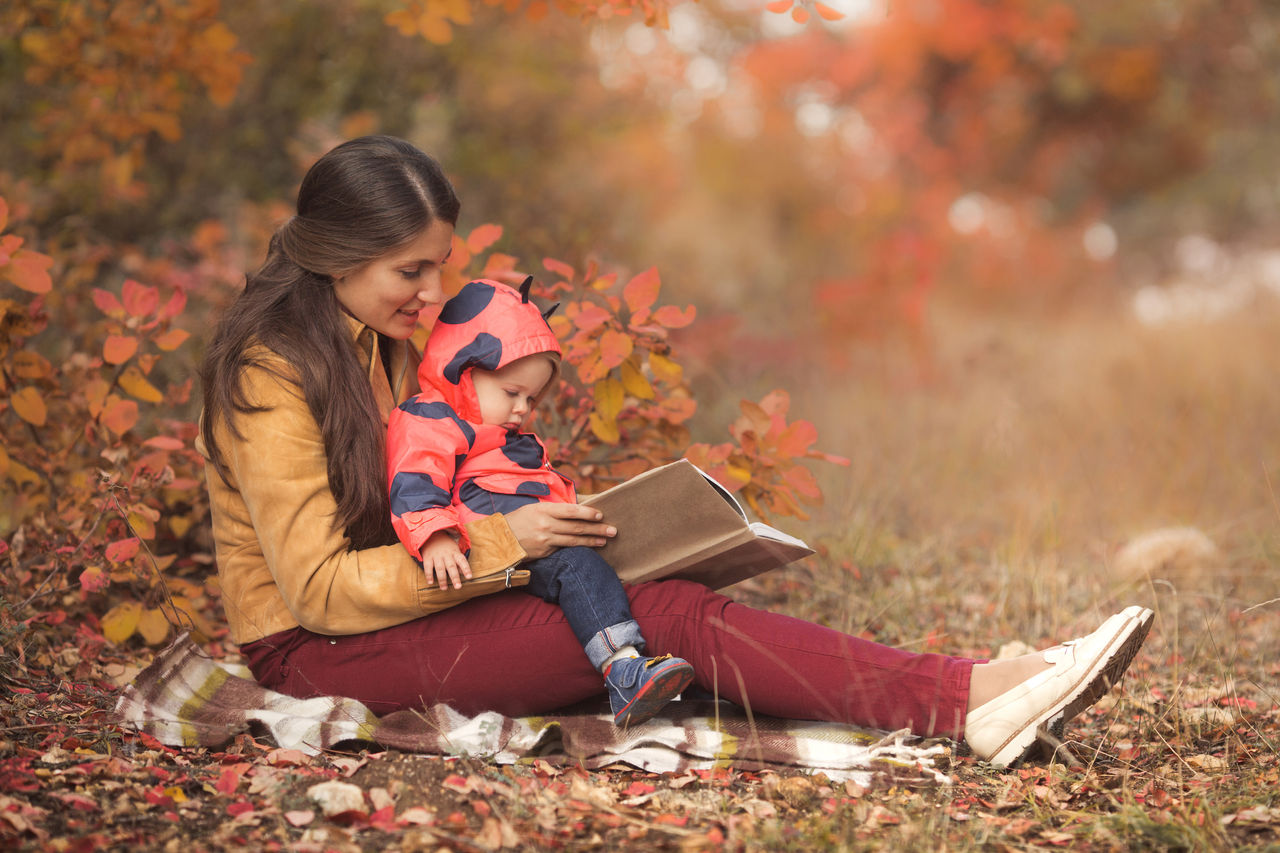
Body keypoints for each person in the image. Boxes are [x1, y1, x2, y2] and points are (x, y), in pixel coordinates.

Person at [197, 134, 1154, 768]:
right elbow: (318, 590)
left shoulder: (388, 331)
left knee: (653, 594)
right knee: (666, 620)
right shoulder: (268, 373)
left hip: (417, 600)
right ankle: (970, 697)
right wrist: (515, 542)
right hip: (319, 650)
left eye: (441, 263)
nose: (434, 289)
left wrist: (546, 509)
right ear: (335, 253)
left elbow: (449, 464)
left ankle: (959, 685)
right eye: (413, 269)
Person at [384, 276, 694, 726]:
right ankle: (623, 669)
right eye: (512, 393)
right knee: (576, 567)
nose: (522, 409)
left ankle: (658, 671)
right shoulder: (430, 416)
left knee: (616, 568)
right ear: (464, 371)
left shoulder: (504, 436)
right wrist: (436, 538)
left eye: (532, 399)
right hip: (489, 547)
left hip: (528, 539)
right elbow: (414, 482)